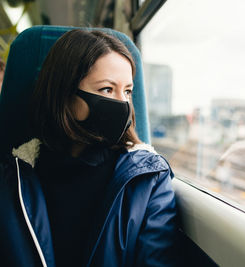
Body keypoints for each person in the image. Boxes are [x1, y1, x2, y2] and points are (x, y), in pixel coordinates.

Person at [0, 29, 182, 267]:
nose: (122, 104)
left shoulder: (147, 180)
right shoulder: (13, 179)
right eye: (106, 89)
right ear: (65, 94)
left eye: (127, 91)